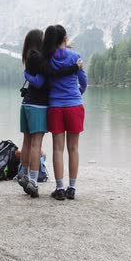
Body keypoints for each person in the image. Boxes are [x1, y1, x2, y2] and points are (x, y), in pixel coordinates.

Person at [18, 29, 82, 198]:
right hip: (58, 105)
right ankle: (67, 187)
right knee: (68, 147)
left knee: (47, 147)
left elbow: (47, 71)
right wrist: (76, 79)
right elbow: (78, 78)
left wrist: (63, 46)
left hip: (41, 105)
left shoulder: (38, 58)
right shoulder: (50, 59)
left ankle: (52, 186)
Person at [41, 25, 87, 201]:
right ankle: (72, 188)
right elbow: (83, 80)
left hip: (56, 106)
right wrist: (78, 93)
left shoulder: (48, 59)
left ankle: (59, 188)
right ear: (65, 38)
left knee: (57, 148)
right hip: (74, 105)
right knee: (73, 148)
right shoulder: (75, 57)